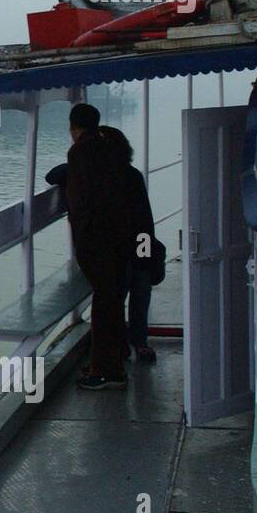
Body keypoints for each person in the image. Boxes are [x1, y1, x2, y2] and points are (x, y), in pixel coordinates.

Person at [63, 103, 133, 390]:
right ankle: (114, 358)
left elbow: (79, 199)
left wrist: (81, 233)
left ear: (73, 126)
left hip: (97, 240)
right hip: (118, 236)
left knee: (104, 304)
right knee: (113, 300)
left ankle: (105, 371)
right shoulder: (110, 148)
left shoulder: (80, 151)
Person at [100, 126, 158, 363]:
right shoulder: (131, 175)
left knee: (117, 298)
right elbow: (145, 218)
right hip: (134, 246)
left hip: (121, 249)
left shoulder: (111, 178)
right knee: (139, 295)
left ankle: (121, 344)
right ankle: (138, 342)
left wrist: (143, 253)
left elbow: (143, 217)